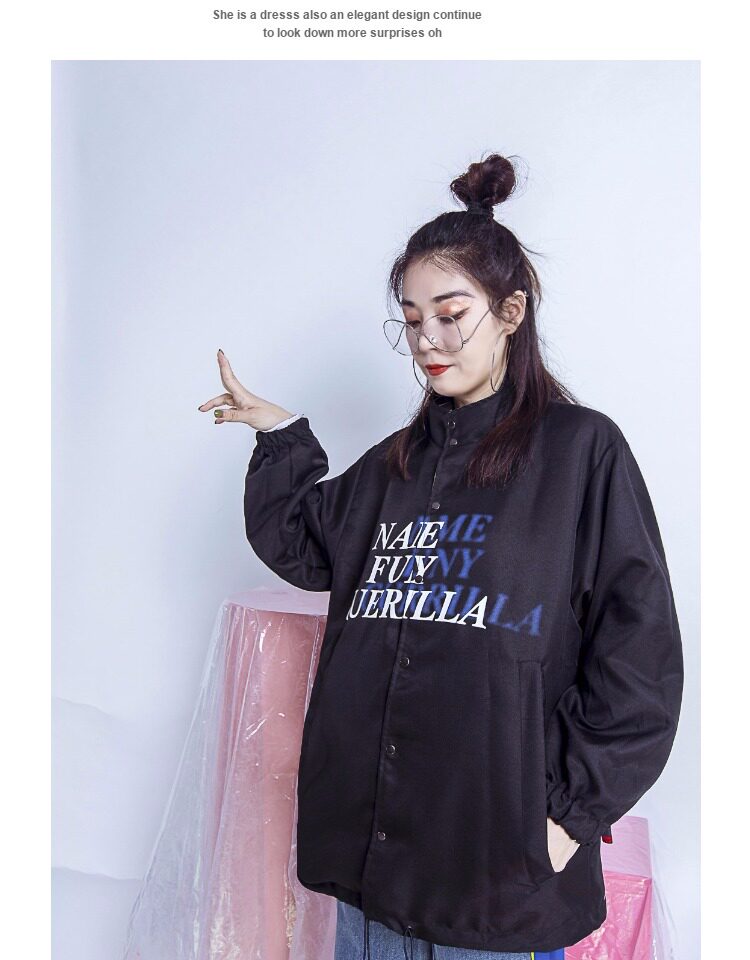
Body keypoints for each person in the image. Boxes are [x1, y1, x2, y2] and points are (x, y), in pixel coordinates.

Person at [198, 153, 684, 960]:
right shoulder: (394, 467)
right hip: (375, 865)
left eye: (451, 314)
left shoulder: (580, 453)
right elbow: (303, 545)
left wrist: (566, 817)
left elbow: (640, 657)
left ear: (511, 311)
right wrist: (280, 436)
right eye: (411, 318)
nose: (428, 338)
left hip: (497, 876)